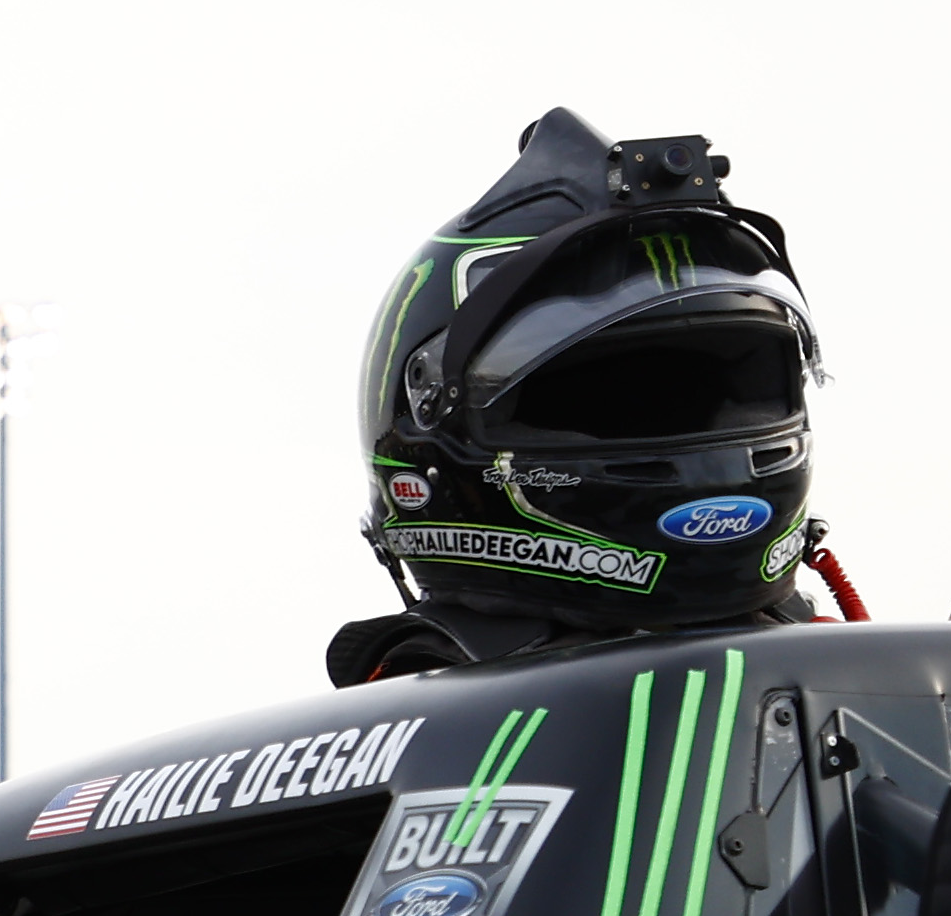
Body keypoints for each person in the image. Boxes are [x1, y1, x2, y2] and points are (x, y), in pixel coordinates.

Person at [332, 112, 831, 688]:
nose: (669, 412)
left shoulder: (861, 668)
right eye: (596, 398)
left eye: (703, 388)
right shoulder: (419, 707)